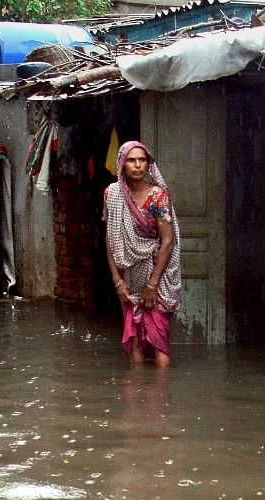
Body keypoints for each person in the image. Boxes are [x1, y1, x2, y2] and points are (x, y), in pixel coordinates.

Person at [103, 141, 183, 367]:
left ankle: (161, 397)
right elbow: (110, 239)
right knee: (135, 339)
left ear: (148, 164)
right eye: (131, 160)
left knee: (159, 340)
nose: (137, 165)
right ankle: (135, 396)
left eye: (142, 160)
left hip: (158, 273)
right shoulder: (112, 194)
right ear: (122, 164)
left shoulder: (157, 197)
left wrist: (152, 285)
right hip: (128, 274)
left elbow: (167, 241)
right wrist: (117, 280)